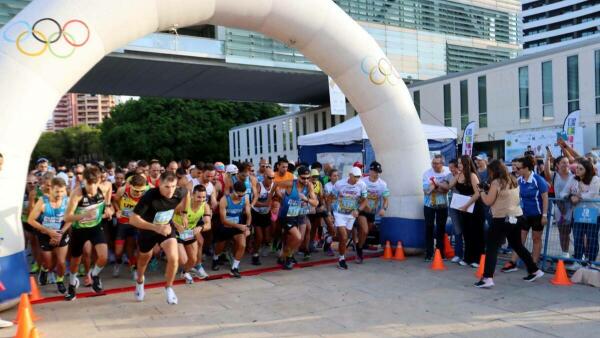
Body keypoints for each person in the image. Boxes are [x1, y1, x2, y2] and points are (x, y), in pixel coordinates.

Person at [475, 160, 544, 288]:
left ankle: (487, 278)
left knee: (492, 248)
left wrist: (481, 191)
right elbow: (504, 196)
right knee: (517, 245)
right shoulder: (513, 179)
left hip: (501, 218)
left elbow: (488, 201)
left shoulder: (496, 182)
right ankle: (535, 270)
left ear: (493, 171)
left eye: (490, 171)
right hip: (516, 216)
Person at [129, 172, 186, 304]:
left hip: (166, 229)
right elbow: (133, 219)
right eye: (166, 186)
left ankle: (169, 288)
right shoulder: (150, 196)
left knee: (174, 258)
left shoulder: (179, 192)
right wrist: (156, 228)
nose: (170, 190)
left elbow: (187, 194)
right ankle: (139, 282)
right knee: (144, 261)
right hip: (148, 231)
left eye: (173, 186)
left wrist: (183, 213)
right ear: (159, 184)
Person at [64, 166, 112, 301]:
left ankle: (95, 275)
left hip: (95, 227)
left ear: (98, 182)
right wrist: (84, 214)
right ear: (84, 181)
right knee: (75, 261)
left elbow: (109, 187)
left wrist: (108, 206)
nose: (90, 190)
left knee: (103, 257)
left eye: (93, 186)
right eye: (87, 185)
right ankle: (72, 285)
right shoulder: (77, 194)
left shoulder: (104, 187)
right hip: (79, 230)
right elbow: (67, 217)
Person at [503, 156, 549, 272]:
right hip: (523, 215)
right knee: (519, 239)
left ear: (527, 168)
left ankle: (533, 265)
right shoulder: (519, 180)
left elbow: (545, 199)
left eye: (518, 168)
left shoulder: (538, 180)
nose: (516, 170)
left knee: (536, 238)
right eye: (515, 168)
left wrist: (544, 215)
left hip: (537, 215)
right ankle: (513, 262)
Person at [27, 178, 71, 294]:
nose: (59, 194)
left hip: (60, 233)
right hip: (45, 234)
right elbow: (31, 220)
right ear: (51, 189)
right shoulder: (43, 201)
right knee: (49, 262)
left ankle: (60, 281)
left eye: (62, 191)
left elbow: (70, 219)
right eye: (57, 192)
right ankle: (44, 269)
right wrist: (48, 231)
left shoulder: (67, 201)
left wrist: (61, 232)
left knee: (61, 262)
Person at [273, 166, 318, 269]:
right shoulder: (290, 183)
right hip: (287, 214)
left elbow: (315, 203)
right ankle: (286, 257)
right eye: (303, 178)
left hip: (301, 213)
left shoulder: (309, 185)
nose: (306, 180)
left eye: (308, 177)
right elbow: (275, 184)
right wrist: (278, 196)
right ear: (298, 177)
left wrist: (306, 199)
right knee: (296, 237)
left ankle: (286, 256)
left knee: (300, 239)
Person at [445, 155, 485, 267]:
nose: (459, 165)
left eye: (460, 163)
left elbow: (478, 193)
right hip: (464, 207)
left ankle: (478, 259)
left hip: (474, 206)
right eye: (458, 163)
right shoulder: (459, 175)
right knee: (467, 233)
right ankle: (468, 258)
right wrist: (457, 174)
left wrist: (467, 205)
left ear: (466, 164)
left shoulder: (472, 176)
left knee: (476, 233)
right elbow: (449, 186)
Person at [561, 158, 600, 270]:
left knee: (592, 238)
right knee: (578, 237)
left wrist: (578, 196)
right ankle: (578, 261)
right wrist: (569, 197)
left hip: (593, 213)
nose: (577, 170)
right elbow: (563, 192)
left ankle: (591, 262)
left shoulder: (595, 179)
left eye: (580, 169)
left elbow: (592, 195)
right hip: (578, 213)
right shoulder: (573, 179)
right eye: (577, 168)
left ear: (587, 170)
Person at [172, 184, 212, 283]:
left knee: (193, 260)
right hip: (176, 232)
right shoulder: (184, 204)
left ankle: (185, 272)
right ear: (193, 195)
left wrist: (200, 227)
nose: (201, 199)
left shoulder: (205, 206)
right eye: (199, 197)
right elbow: (167, 217)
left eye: (204, 197)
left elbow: (208, 225)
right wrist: (177, 225)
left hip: (189, 233)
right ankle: (182, 268)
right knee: (184, 260)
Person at [112, 174, 149, 278]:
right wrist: (118, 209)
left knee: (131, 248)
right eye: (136, 191)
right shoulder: (122, 190)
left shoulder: (146, 193)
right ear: (130, 186)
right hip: (123, 224)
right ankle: (118, 263)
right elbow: (115, 201)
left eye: (141, 190)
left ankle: (133, 267)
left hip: (135, 224)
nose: (139, 193)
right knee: (118, 252)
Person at [213, 181, 251, 277]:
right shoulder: (224, 200)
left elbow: (249, 215)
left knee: (242, 245)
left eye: (242, 195)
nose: (240, 197)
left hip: (238, 226)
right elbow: (223, 220)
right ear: (233, 191)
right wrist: (239, 226)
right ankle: (215, 258)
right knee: (220, 247)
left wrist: (248, 227)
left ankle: (234, 268)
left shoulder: (245, 198)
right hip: (226, 226)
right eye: (239, 195)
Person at [332, 166, 367, 268]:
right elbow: (330, 197)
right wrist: (330, 212)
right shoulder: (339, 184)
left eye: (359, 177)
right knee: (343, 237)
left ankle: (329, 239)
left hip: (351, 215)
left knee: (344, 238)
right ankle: (342, 259)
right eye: (355, 176)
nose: (357, 179)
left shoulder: (362, 185)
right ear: (350, 175)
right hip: (339, 213)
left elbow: (365, 200)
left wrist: (358, 210)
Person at [544, 154, 574, 259]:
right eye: (563, 163)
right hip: (561, 209)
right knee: (563, 232)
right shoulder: (555, 176)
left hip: (574, 208)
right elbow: (546, 172)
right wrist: (547, 158)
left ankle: (580, 254)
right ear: (557, 165)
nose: (566, 164)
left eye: (567, 162)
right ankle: (565, 253)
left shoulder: (574, 175)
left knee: (577, 233)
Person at [423, 155, 451, 261]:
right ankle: (429, 253)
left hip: (443, 205)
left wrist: (434, 187)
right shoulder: (427, 173)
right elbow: (426, 191)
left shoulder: (447, 172)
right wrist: (441, 187)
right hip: (429, 205)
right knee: (429, 227)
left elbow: (447, 190)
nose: (434, 165)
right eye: (433, 163)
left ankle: (440, 252)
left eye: (436, 163)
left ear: (442, 163)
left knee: (441, 228)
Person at [358, 161, 390, 256]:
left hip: (372, 212)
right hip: (361, 210)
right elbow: (357, 197)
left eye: (378, 172)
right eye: (375, 171)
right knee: (365, 230)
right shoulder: (363, 181)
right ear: (370, 171)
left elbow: (386, 199)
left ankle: (359, 244)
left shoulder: (383, 184)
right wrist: (365, 205)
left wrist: (384, 209)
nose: (376, 174)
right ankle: (359, 250)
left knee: (365, 231)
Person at [251, 168, 275, 265]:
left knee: (268, 238)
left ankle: (262, 247)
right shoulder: (259, 186)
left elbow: (279, 196)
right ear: (265, 176)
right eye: (270, 178)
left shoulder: (274, 184)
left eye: (273, 178)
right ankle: (255, 255)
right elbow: (254, 202)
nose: (272, 180)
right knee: (259, 237)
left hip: (266, 213)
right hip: (256, 213)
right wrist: (265, 204)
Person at [445, 159, 464, 264]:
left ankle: (469, 255)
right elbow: (445, 185)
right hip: (454, 204)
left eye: (453, 167)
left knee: (466, 229)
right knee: (457, 229)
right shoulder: (449, 176)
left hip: (466, 204)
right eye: (450, 168)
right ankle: (458, 254)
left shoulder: (464, 175)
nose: (451, 170)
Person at [323, 169, 340, 256]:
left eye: (337, 175)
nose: (336, 177)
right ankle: (328, 246)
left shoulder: (341, 185)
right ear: (330, 177)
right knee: (331, 230)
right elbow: (327, 200)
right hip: (330, 211)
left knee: (338, 231)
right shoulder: (327, 186)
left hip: (339, 211)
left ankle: (327, 241)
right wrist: (329, 212)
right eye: (334, 175)